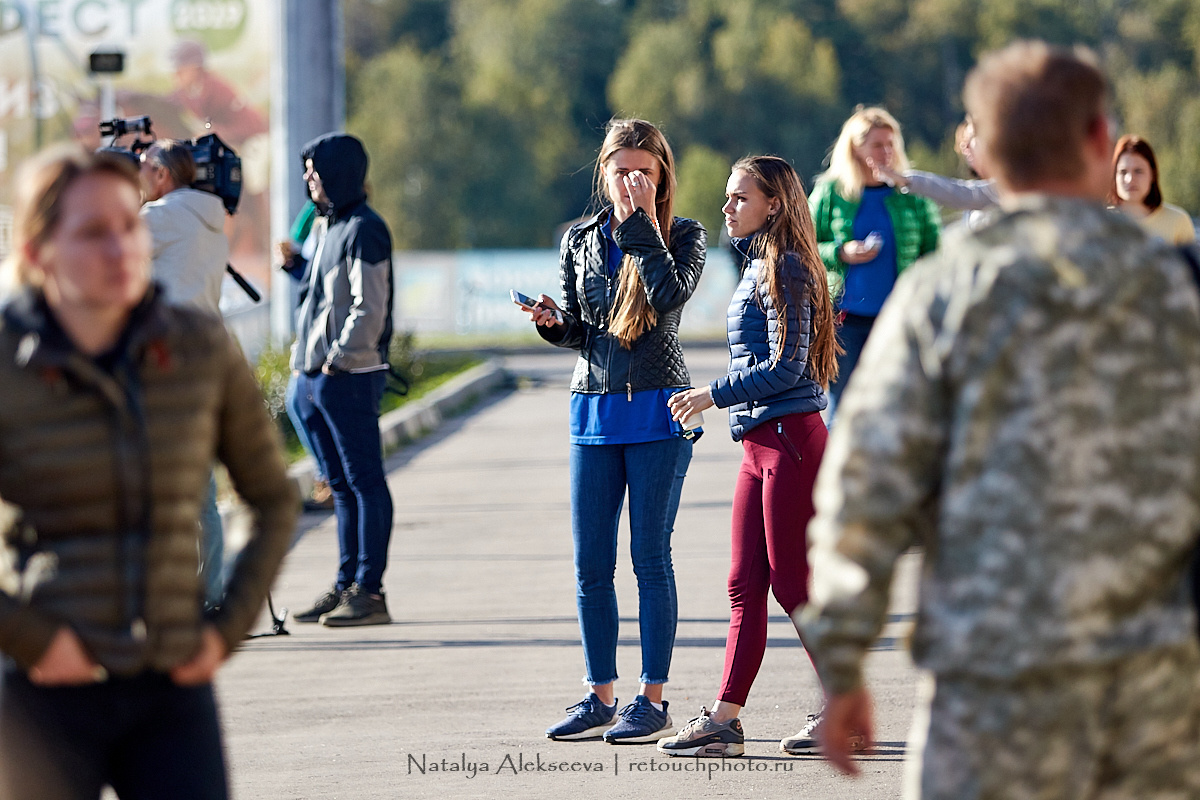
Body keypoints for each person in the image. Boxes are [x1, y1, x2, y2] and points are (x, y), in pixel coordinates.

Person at [800, 40, 1200, 799]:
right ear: (1097, 138)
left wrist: (845, 660)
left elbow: (867, 486)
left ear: (989, 152)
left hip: (988, 689)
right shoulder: (1175, 287)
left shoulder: (942, 294)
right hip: (1154, 693)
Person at [0, 145, 297, 799]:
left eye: (128, 227)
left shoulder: (194, 349)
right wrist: (31, 639)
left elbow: (273, 498)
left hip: (169, 689)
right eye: (91, 233)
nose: (119, 249)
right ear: (37, 249)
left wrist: (224, 631)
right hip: (41, 685)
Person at [656, 156, 842, 758]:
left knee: (793, 584)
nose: (727, 206)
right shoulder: (762, 264)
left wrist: (713, 394)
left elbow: (787, 368)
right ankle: (726, 720)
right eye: (729, 197)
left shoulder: (786, 268)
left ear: (773, 204)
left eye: (740, 197)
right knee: (743, 584)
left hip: (789, 439)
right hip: (759, 444)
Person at [528, 118, 706, 744]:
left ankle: (650, 697)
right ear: (603, 173)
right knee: (590, 565)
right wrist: (556, 325)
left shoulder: (684, 236)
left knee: (649, 558)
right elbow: (586, 328)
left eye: (644, 172)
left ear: (662, 178)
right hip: (592, 411)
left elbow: (666, 300)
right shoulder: (579, 239)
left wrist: (640, 228)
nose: (631, 182)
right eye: (620, 170)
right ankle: (598, 693)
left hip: (658, 411)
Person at [291, 133, 396, 628]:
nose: (308, 179)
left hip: (349, 375)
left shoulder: (364, 229)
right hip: (321, 375)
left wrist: (336, 361)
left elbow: (367, 307)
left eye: (315, 170)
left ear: (337, 173)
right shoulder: (331, 226)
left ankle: (370, 591)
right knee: (340, 486)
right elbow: (319, 300)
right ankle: (346, 583)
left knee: (364, 483)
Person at [139, 138, 230, 609]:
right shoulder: (213, 221)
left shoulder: (161, 217)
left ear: (162, 174)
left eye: (142, 168)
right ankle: (209, 594)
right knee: (201, 493)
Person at [808, 106, 941, 418]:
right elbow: (804, 246)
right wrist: (841, 252)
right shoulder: (830, 191)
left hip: (900, 316)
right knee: (842, 408)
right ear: (855, 147)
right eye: (878, 145)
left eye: (891, 144)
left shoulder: (912, 194)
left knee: (900, 407)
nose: (887, 152)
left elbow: (934, 253)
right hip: (844, 318)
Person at [278, 200, 334, 512]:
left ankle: (330, 479)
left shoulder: (337, 220)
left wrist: (294, 266)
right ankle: (328, 478)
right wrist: (291, 262)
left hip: (324, 331)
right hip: (313, 327)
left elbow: (320, 283)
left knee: (300, 401)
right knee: (300, 403)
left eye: (314, 170)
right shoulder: (314, 216)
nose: (308, 177)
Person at [870, 116, 999, 230]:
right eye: (963, 141)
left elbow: (964, 194)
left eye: (971, 138)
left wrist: (905, 180)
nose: (964, 146)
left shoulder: (1005, 187)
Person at [1110, 134, 1196, 245]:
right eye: (1123, 172)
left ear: (1152, 175)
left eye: (1138, 171)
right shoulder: (1098, 221)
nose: (1130, 179)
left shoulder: (1178, 221)